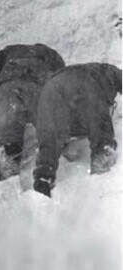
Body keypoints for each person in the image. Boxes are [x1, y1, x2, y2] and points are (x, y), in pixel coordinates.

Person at [33, 63, 122, 197]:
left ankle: (44, 175)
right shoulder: (106, 72)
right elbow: (97, 119)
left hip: (50, 88)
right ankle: (102, 181)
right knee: (100, 130)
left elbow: (49, 129)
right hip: (84, 81)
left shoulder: (89, 71)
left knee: (49, 136)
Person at [0, 43, 65, 179]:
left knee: (7, 129)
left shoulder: (8, 51)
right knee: (46, 124)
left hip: (6, 87)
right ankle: (58, 152)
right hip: (35, 86)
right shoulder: (47, 52)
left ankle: (10, 155)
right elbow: (60, 73)